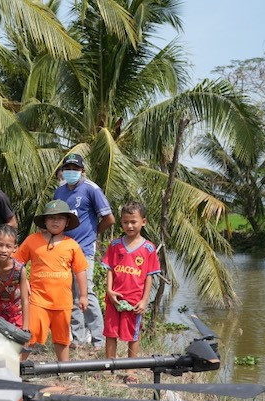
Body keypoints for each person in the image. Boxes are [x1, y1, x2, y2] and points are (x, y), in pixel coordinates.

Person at [53, 153, 115, 351]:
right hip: (64, 249)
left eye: (75, 168)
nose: (71, 172)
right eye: (68, 168)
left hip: (84, 250)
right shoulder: (59, 191)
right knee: (70, 295)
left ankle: (99, 340)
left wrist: (94, 232)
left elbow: (109, 218)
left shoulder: (91, 189)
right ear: (63, 170)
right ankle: (78, 339)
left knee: (86, 292)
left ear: (82, 171)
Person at [15, 200, 88, 362]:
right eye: (51, 218)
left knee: (62, 339)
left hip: (62, 302)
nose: (55, 221)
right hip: (37, 300)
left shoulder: (72, 245)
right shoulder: (32, 240)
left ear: (67, 222)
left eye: (60, 218)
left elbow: (80, 271)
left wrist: (83, 295)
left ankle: (65, 368)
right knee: (30, 334)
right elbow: (17, 263)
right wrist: (23, 281)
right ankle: (18, 366)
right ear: (45, 221)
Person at [101, 201, 161, 380]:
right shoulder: (115, 245)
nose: (129, 225)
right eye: (126, 222)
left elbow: (149, 276)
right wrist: (109, 291)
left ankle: (130, 371)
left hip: (134, 300)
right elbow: (110, 269)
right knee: (110, 333)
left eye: (133, 221)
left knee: (132, 336)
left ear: (143, 222)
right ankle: (108, 367)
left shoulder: (148, 248)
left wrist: (144, 300)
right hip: (114, 299)